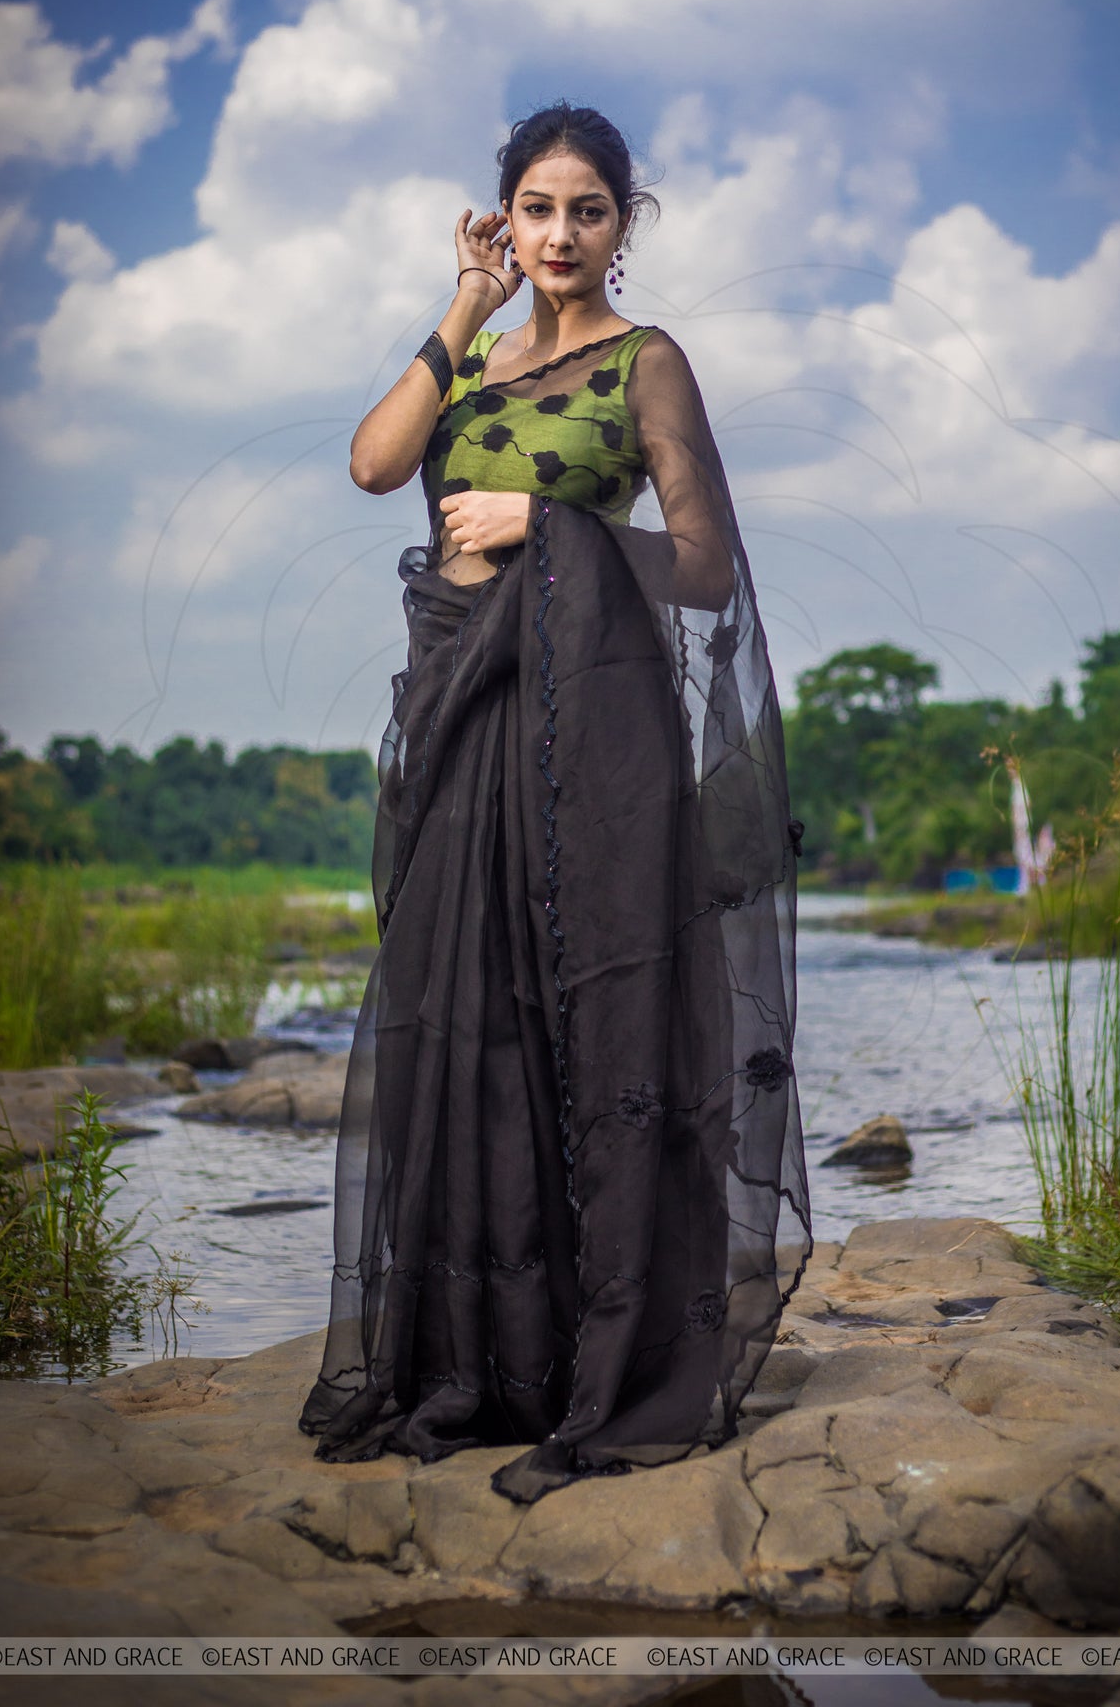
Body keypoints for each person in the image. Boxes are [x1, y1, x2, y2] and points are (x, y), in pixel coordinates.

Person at [297, 102, 812, 1504]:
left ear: (622, 228)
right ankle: (492, 1365)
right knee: (470, 1021)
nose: (560, 235)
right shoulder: (471, 362)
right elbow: (372, 463)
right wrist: (461, 301)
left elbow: (705, 567)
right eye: (535, 210)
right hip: (463, 726)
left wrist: (550, 523)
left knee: (597, 1013)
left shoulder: (646, 364)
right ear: (502, 221)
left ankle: (613, 1364)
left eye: (588, 211)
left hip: (598, 730)